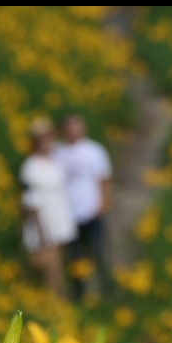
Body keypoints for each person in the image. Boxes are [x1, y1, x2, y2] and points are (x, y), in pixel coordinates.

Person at [54, 113, 113, 300]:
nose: (73, 131)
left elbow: (104, 179)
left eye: (76, 126)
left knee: (98, 251)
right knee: (75, 257)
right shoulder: (59, 153)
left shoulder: (95, 151)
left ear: (83, 129)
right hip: (69, 215)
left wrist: (103, 204)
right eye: (69, 127)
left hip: (91, 210)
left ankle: (106, 289)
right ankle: (80, 293)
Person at [19, 117, 77, 298]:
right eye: (43, 139)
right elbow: (31, 201)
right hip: (45, 229)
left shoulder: (55, 162)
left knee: (59, 271)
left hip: (60, 224)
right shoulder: (31, 167)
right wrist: (42, 232)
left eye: (50, 138)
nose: (48, 143)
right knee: (50, 273)